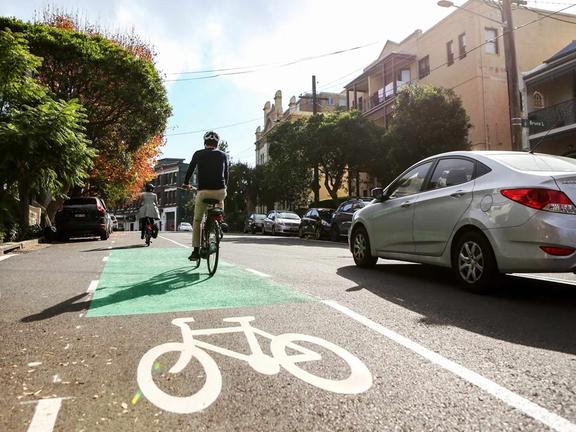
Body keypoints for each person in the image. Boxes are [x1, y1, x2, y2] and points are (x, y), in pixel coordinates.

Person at [181, 131, 229, 260]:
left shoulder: (198, 154)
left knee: (197, 221)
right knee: (221, 198)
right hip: (220, 191)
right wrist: (225, 186)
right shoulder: (223, 155)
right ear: (216, 143)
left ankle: (196, 251)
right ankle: (220, 219)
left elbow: (190, 169)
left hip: (203, 191)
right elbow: (226, 174)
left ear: (204, 143)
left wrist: (186, 183)